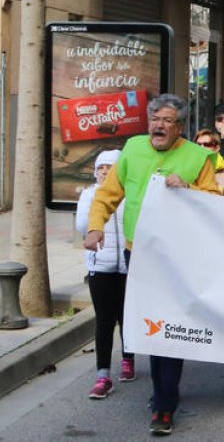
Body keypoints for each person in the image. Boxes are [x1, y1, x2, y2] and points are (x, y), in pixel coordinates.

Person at [84, 94, 221, 436]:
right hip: (137, 252)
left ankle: (164, 403)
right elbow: (107, 195)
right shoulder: (132, 148)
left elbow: (217, 203)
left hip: (178, 254)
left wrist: (188, 188)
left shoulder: (198, 156)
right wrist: (95, 226)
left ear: (180, 127)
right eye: (154, 118)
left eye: (167, 120)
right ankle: (163, 393)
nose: (159, 125)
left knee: (168, 325)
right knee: (149, 326)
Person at [75, 150, 134, 399]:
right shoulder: (89, 195)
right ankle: (102, 375)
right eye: (101, 168)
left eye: (110, 168)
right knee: (104, 320)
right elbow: (82, 227)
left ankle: (128, 360)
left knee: (127, 317)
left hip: (128, 265)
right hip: (100, 265)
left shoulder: (129, 193)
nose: (104, 172)